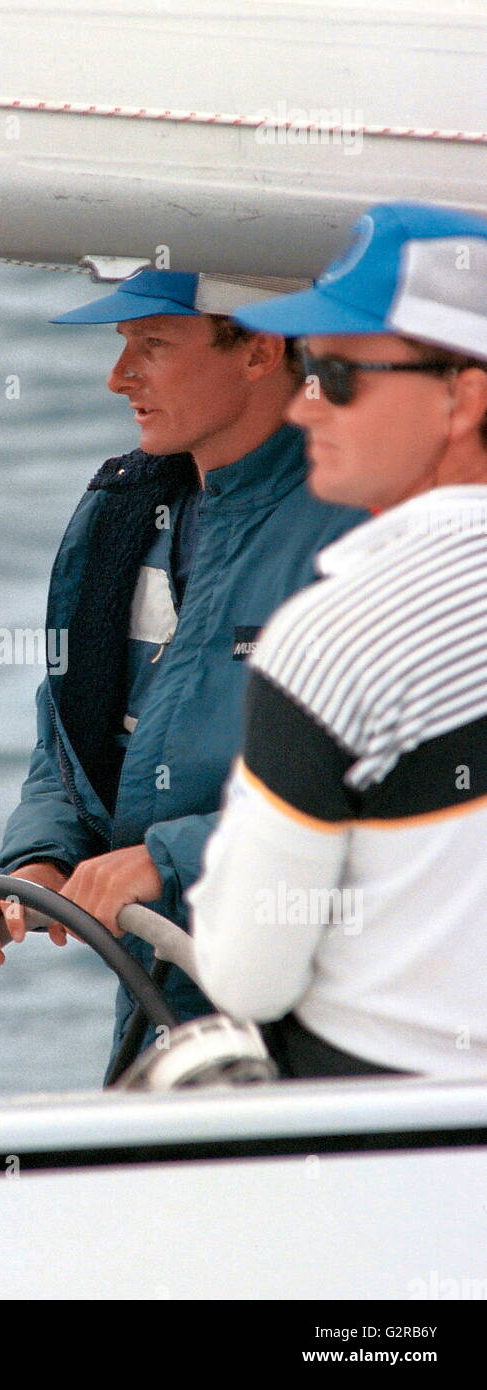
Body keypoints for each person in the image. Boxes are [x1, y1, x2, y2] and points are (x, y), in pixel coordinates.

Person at [0, 267, 367, 1069]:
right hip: (165, 1011)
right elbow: (76, 728)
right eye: (124, 347)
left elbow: (397, 800)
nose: (119, 378)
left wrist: (165, 860)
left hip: (330, 1023)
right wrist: (38, 856)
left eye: (151, 344)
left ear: (259, 351)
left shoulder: (361, 532)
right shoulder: (121, 514)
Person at [188, 201, 487, 1078]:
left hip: (389, 1146)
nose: (302, 408)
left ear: (465, 396)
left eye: (339, 375)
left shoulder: (335, 640)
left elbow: (247, 974)